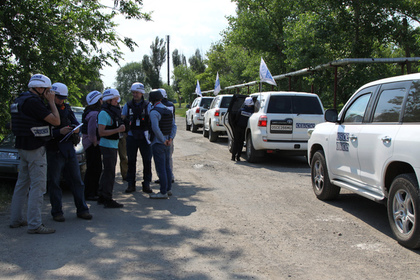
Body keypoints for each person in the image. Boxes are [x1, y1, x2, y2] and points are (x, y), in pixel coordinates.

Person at [9, 74, 60, 234]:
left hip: (22, 147)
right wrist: (51, 102)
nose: (49, 93)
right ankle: (35, 224)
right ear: (39, 88)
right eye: (47, 90)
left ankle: (16, 219)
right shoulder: (33, 102)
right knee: (38, 187)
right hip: (34, 148)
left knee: (22, 184)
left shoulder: (20, 99)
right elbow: (56, 121)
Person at [46, 82, 92, 222]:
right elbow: (43, 132)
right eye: (59, 98)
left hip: (69, 149)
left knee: (77, 181)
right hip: (54, 150)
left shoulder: (67, 107)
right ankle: (57, 212)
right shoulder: (45, 109)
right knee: (54, 183)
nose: (61, 101)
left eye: (63, 98)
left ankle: (82, 209)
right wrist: (58, 131)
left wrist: (75, 130)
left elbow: (74, 122)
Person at [121, 82, 153, 194]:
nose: (135, 94)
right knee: (131, 161)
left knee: (147, 161)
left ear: (142, 93)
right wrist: (125, 131)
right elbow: (123, 118)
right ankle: (131, 184)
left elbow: (152, 120)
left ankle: (147, 183)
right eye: (133, 92)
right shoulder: (127, 105)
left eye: (137, 92)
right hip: (131, 136)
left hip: (144, 136)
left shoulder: (148, 105)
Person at [97, 88, 126, 208]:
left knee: (107, 172)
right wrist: (118, 130)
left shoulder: (112, 111)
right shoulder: (104, 113)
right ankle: (107, 199)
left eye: (117, 99)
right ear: (108, 100)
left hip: (112, 144)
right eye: (114, 99)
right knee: (109, 173)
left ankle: (102, 196)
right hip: (107, 145)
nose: (117, 101)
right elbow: (101, 132)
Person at [148, 89, 177, 199]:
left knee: (161, 168)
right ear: (160, 98)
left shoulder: (154, 112)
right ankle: (168, 189)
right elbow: (174, 126)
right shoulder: (168, 110)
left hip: (158, 143)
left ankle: (163, 192)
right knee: (167, 167)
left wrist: (162, 140)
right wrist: (170, 139)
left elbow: (155, 128)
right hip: (168, 143)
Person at [82, 90, 103, 201]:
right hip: (92, 145)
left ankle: (94, 191)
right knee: (94, 169)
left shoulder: (90, 112)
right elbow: (91, 132)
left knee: (95, 168)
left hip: (91, 144)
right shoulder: (94, 114)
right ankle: (90, 193)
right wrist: (95, 143)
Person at [154, 88, 175, 184]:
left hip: (159, 138)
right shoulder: (171, 106)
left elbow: (155, 127)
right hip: (169, 135)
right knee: (168, 158)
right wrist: (171, 137)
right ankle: (170, 176)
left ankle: (162, 178)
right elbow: (173, 123)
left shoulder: (156, 108)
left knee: (160, 161)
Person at [231, 96, 254, 161]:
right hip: (245, 129)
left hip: (238, 128)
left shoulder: (241, 110)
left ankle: (233, 157)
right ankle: (238, 157)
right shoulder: (252, 112)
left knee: (236, 142)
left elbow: (236, 119)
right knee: (241, 143)